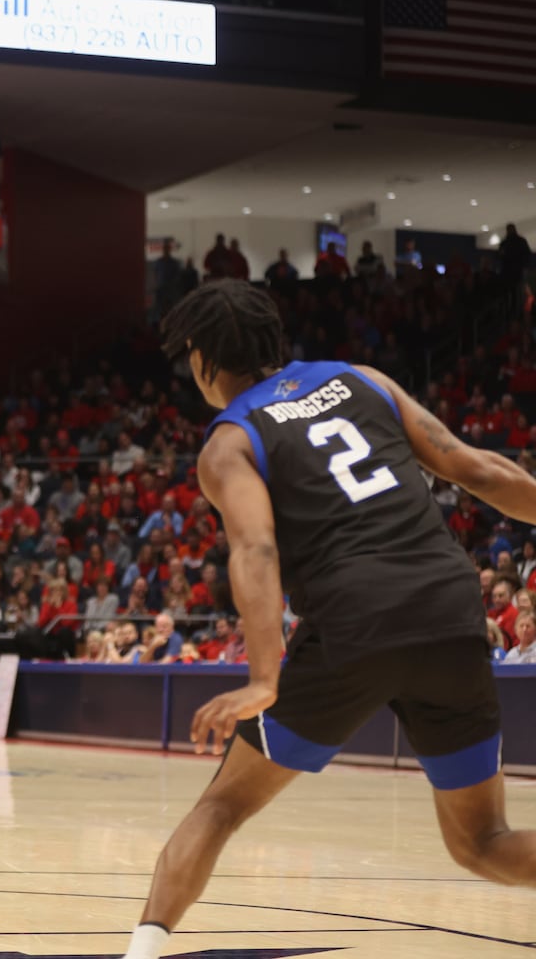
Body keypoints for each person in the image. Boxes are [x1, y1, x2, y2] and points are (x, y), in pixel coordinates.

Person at [120, 278, 536, 959]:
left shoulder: (229, 442)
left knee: (223, 806)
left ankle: (141, 953)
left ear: (200, 360)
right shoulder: (361, 380)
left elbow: (254, 550)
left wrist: (262, 676)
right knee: (485, 844)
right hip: (447, 607)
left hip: (353, 621)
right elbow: (474, 468)